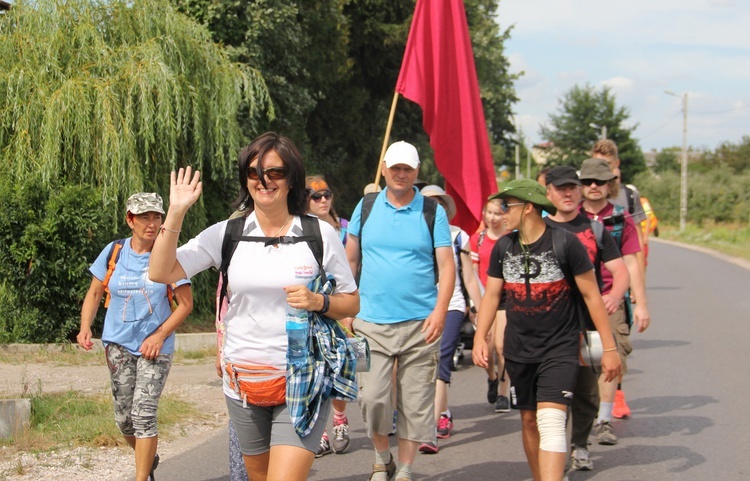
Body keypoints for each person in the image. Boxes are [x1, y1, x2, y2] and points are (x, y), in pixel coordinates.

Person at [148, 132, 360, 481]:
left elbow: (351, 301)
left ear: (291, 178)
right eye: (253, 172)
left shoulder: (319, 235)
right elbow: (160, 271)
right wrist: (176, 211)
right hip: (244, 383)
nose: (264, 181)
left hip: (302, 379)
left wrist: (318, 301)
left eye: (274, 172)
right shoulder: (227, 233)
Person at [472, 179, 621, 481]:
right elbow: (491, 295)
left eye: (506, 206)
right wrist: (479, 337)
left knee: (551, 420)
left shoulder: (566, 243)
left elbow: (592, 296)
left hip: (560, 348)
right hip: (519, 349)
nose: (501, 213)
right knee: (528, 420)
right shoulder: (504, 246)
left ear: (528, 208)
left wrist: (610, 348)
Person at [345, 140, 455, 481]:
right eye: (396, 168)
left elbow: (447, 267)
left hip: (420, 325)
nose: (402, 174)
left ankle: (405, 469)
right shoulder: (365, 206)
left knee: (416, 400)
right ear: (384, 169)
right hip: (369, 324)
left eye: (408, 169)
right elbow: (350, 259)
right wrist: (346, 308)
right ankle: (382, 459)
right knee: (372, 398)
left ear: (417, 172)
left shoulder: (431, 211)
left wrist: (439, 312)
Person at [77, 192, 193, 481]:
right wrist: (85, 327)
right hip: (117, 344)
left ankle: (141, 477)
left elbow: (186, 304)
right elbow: (94, 293)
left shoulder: (167, 255)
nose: (151, 223)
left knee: (144, 415)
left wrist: (159, 335)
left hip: (156, 347)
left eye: (156, 217)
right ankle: (148, 455)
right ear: (130, 220)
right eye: (144, 217)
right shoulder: (114, 251)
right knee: (124, 420)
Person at [543, 166, 630, 472]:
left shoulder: (594, 230)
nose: (568, 193)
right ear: (549, 192)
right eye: (561, 188)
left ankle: (579, 445)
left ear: (578, 192)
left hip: (585, 326)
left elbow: (621, 273)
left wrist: (613, 296)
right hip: (546, 326)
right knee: (550, 395)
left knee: (585, 392)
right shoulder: (537, 228)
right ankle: (553, 451)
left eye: (572, 188)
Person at [579, 158, 651, 444]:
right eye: (587, 181)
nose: (593, 186)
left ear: (611, 184)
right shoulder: (570, 216)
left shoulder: (621, 219)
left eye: (599, 181)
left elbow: (633, 263)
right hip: (577, 302)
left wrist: (640, 302)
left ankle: (604, 420)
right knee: (581, 362)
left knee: (612, 358)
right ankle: (581, 418)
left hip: (611, 299)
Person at [418, 185, 483, 454]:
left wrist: (481, 312)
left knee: (442, 360)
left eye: (439, 203)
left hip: (453, 306)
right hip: (419, 307)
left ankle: (429, 431)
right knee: (422, 365)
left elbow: (468, 277)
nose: (435, 209)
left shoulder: (459, 236)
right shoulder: (412, 234)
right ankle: (442, 410)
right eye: (428, 203)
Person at [305, 175, 352, 457]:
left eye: (327, 195)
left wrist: (348, 311)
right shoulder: (299, 229)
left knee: (337, 368)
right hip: (311, 307)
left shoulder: (345, 229)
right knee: (315, 371)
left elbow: (353, 268)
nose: (323, 200)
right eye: (316, 196)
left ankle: (340, 420)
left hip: (339, 306)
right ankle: (320, 433)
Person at [469, 198, 511, 413]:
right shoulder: (478, 239)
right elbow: (473, 274)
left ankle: (504, 390)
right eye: (489, 213)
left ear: (505, 214)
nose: (493, 218)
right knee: (488, 346)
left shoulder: (512, 238)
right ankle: (492, 377)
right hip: (484, 298)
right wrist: (474, 303)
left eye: (497, 213)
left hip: (506, 299)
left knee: (502, 346)